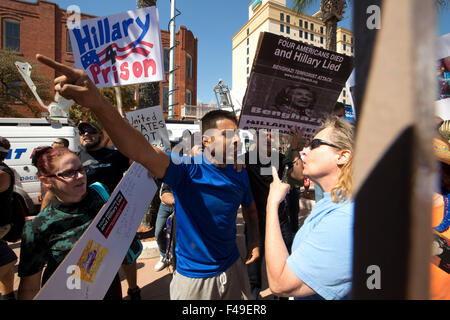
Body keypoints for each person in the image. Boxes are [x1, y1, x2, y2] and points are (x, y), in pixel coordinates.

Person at [35, 54, 261, 300]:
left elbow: (249, 210)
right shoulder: (187, 170)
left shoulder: (239, 171)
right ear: (206, 140)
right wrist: (98, 102)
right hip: (195, 281)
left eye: (237, 133)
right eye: (228, 134)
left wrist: (255, 241)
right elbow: (141, 150)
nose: (237, 139)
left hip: (233, 267)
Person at [265, 116, 354, 300]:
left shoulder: (345, 218)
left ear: (343, 155)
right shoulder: (332, 202)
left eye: (314, 144)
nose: (304, 152)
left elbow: (280, 284)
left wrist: (272, 205)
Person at [17, 146, 122, 300]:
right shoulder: (38, 227)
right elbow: (30, 287)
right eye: (68, 173)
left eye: (81, 169)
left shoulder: (100, 197)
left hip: (109, 289)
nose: (79, 176)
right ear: (46, 181)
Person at [76, 121, 141, 300]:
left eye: (90, 131)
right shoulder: (75, 158)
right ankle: (92, 294)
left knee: (126, 255)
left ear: (100, 135)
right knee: (91, 259)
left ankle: (133, 289)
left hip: (117, 214)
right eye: (82, 132)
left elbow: (137, 167)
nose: (86, 134)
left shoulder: (115, 155)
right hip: (87, 219)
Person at [242, 129, 303, 299]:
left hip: (279, 221)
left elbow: (298, 175)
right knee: (253, 275)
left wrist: (296, 147)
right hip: (255, 223)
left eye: (271, 135)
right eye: (264, 135)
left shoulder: (279, 158)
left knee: (282, 268)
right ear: (255, 137)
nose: (269, 138)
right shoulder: (244, 160)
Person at [0, 137, 18, 300]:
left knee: (6, 259)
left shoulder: (2, 172)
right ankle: (8, 295)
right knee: (5, 258)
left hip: (1, 224)